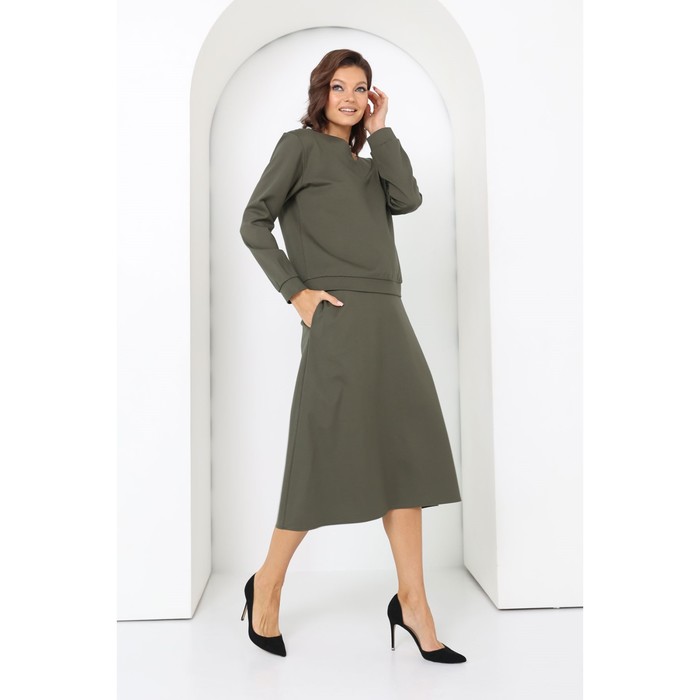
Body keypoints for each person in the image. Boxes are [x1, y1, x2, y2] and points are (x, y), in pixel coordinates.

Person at [238, 49, 466, 664]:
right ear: (321, 93)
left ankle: (413, 603)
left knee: (405, 454)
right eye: (338, 86)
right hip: (336, 317)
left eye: (360, 88)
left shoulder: (372, 166)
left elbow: (409, 198)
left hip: (389, 315)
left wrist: (381, 131)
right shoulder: (298, 147)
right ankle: (267, 584)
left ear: (370, 98)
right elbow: (254, 222)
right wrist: (297, 293)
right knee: (320, 455)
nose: (348, 97)